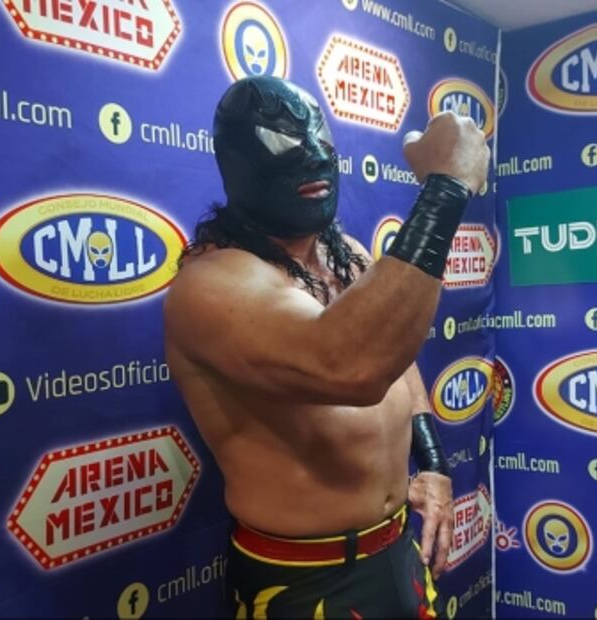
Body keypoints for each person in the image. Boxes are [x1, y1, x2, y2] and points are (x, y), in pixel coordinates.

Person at [163, 76, 490, 618]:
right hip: (301, 578)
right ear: (239, 164)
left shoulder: (346, 253)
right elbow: (353, 365)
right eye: (284, 142)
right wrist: (446, 187)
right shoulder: (211, 285)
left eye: (320, 139)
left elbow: (394, 354)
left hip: (397, 551)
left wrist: (432, 461)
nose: (314, 156)